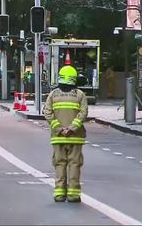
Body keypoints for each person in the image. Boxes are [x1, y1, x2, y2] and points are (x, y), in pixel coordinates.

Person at [44, 65, 88, 203]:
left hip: (58, 138)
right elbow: (83, 113)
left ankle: (59, 194)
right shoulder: (80, 95)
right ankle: (73, 195)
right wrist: (72, 128)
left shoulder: (53, 94)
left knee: (59, 164)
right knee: (74, 164)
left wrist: (59, 129)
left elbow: (47, 112)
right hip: (75, 137)